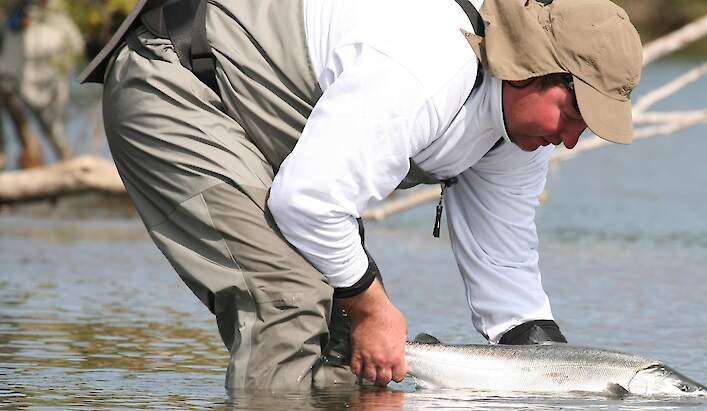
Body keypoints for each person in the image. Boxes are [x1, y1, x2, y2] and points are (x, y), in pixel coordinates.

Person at [79, 0, 642, 391]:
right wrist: (373, 307)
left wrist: (557, 370)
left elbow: (508, 283)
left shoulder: (521, 138)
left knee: (346, 342)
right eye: (573, 113)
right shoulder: (427, 67)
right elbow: (309, 203)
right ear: (529, 74)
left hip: (271, 133)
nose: (571, 139)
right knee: (290, 301)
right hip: (179, 82)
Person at [0, 0, 84, 164]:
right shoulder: (16, 16)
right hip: (15, 82)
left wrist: (63, 67)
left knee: (56, 132)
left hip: (51, 84)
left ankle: (67, 162)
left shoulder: (58, 17)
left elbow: (76, 47)